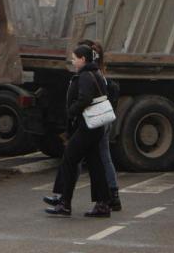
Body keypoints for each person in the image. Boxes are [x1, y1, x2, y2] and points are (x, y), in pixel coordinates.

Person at [43, 44, 112, 218]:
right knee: (95, 164)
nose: (73, 62)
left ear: (83, 59)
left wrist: (71, 111)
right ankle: (103, 204)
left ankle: (64, 203)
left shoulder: (85, 76)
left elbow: (85, 98)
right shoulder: (96, 73)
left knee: (69, 159)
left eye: (74, 59)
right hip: (95, 126)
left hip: (87, 126)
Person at [79, 40, 122, 212]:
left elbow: (85, 99)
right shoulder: (100, 73)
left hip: (94, 121)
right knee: (104, 156)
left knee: (77, 158)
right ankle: (113, 194)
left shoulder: (90, 75)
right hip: (103, 120)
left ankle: (64, 196)